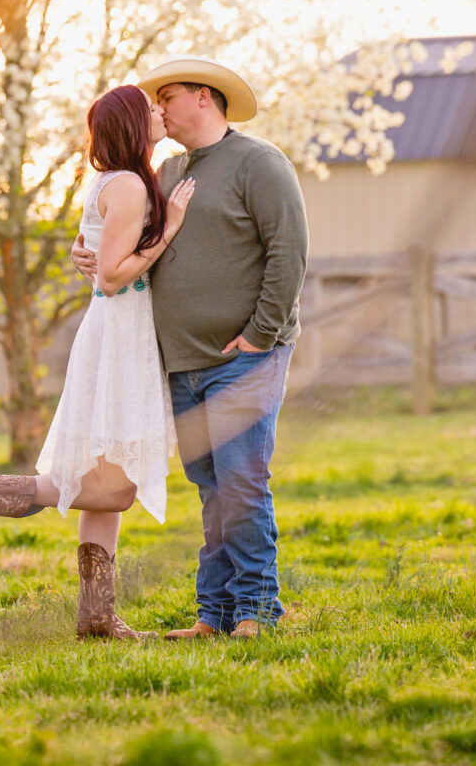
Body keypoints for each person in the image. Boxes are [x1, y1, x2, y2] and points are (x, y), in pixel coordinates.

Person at [0, 84, 195, 640]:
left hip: (113, 330)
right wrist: (168, 228)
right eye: (149, 108)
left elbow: (92, 251)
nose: (159, 111)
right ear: (130, 124)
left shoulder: (113, 180)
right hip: (120, 333)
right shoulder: (126, 186)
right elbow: (114, 274)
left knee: (109, 473)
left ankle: (96, 616)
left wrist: (98, 253)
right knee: (115, 486)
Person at [73, 57, 308, 638]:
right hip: (180, 363)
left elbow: (289, 252)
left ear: (204, 97)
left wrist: (261, 334)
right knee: (210, 488)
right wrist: (91, 262)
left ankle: (257, 611)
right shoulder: (166, 172)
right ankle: (216, 614)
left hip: (244, 359)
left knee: (243, 482)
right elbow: (129, 256)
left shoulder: (259, 163)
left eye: (169, 96)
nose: (159, 109)